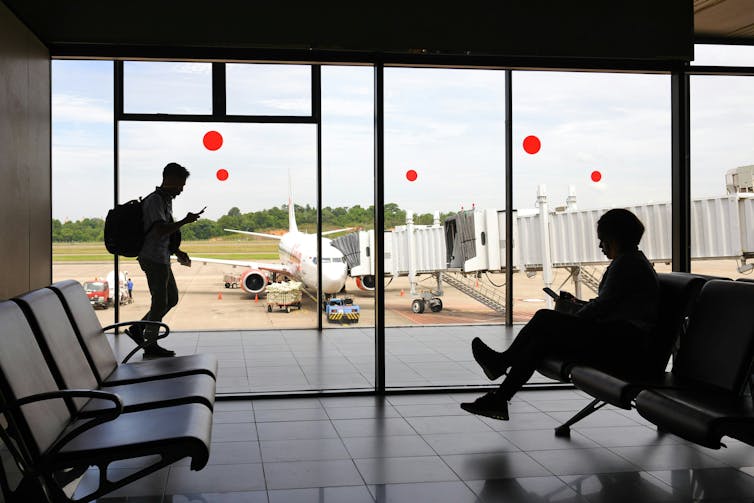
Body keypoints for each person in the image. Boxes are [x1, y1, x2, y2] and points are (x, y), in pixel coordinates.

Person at [461, 208, 659, 420]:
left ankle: (501, 365)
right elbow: (612, 305)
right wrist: (576, 312)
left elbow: (603, 307)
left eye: (603, 240)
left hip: (622, 346)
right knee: (540, 342)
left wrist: (572, 317)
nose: (601, 246)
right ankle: (500, 397)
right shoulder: (633, 262)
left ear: (615, 239)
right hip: (621, 340)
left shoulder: (627, 264)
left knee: (545, 318)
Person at [124, 162, 204, 358]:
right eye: (180, 185)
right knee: (160, 302)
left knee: (172, 298)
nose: (181, 189)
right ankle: (150, 344)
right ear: (170, 180)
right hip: (152, 258)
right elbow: (160, 230)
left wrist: (177, 251)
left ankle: (138, 329)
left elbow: (163, 234)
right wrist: (185, 221)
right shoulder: (155, 201)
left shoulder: (165, 200)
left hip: (162, 257)